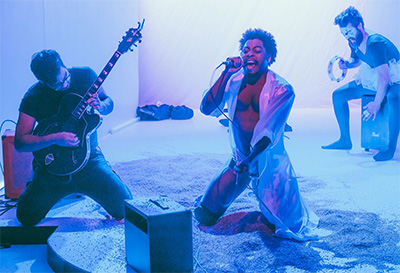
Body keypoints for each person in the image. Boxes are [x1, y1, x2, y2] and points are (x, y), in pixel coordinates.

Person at [194, 29, 319, 241]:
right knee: (204, 215)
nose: (250, 54)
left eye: (257, 50)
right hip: (240, 160)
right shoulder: (233, 80)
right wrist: (225, 73)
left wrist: (252, 161)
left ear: (269, 57)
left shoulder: (283, 89)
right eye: (246, 50)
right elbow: (206, 108)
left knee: (289, 227)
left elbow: (267, 132)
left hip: (269, 163)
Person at [14, 49, 132, 226]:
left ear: (63, 65)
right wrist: (54, 138)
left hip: (89, 160)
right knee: (26, 216)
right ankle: (45, 184)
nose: (64, 85)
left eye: (65, 78)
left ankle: (96, 181)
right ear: (42, 82)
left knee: (126, 209)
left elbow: (108, 103)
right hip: (52, 166)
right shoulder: (33, 96)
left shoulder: (85, 75)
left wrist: (101, 105)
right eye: (56, 85)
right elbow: (20, 142)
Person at [322, 6, 400, 161]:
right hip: (374, 75)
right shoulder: (353, 41)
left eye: (349, 32)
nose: (347, 36)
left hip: (394, 77)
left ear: (360, 26)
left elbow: (384, 77)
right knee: (338, 95)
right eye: (343, 33)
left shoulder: (374, 43)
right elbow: (356, 60)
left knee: (393, 98)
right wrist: (347, 65)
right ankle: (345, 139)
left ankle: (390, 148)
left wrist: (376, 104)